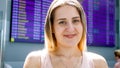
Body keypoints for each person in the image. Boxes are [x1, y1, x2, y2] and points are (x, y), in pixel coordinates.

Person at [23, 0, 108, 68]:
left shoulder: (98, 63)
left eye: (75, 21)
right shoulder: (35, 61)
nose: (70, 28)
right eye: (62, 22)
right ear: (52, 27)